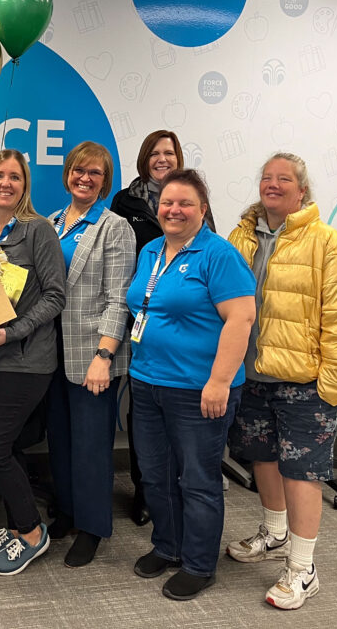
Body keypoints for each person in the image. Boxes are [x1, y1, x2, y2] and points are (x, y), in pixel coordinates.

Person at [225, 152, 337, 610]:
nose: (272, 184)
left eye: (283, 179)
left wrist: (330, 387)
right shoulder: (239, 238)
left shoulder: (332, 246)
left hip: (304, 385)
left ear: (301, 191)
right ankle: (273, 534)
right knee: (262, 460)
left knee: (303, 471)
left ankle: (302, 567)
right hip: (250, 376)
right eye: (266, 177)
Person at [126, 168, 256, 601]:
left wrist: (219, 381)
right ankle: (169, 545)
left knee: (197, 480)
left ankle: (200, 564)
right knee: (155, 474)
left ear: (202, 209)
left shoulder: (218, 254)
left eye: (185, 203)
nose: (174, 210)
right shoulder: (150, 251)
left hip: (199, 390)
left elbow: (241, 319)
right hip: (147, 382)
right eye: (167, 202)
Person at [0, 149, 67, 576]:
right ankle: (15, 525)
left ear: (25, 185)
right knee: (4, 446)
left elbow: (55, 296)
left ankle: (30, 531)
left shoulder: (37, 230)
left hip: (24, 360)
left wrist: (14, 330)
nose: (5, 183)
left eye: (14, 177)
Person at [110, 130, 215, 525]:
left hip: (185, 324)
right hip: (141, 320)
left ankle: (184, 491)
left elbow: (208, 250)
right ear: (144, 159)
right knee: (145, 414)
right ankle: (145, 489)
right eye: (154, 153)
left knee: (181, 419)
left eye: (169, 153)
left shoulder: (195, 203)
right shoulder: (125, 201)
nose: (162, 159)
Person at [45, 142, 135, 567]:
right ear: (67, 173)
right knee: (60, 441)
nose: (84, 178)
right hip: (49, 352)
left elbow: (120, 300)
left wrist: (105, 354)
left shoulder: (114, 227)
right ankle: (67, 511)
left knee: (91, 446)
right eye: (78, 170)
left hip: (92, 354)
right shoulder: (50, 222)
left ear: (105, 180)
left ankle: (94, 526)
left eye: (94, 173)